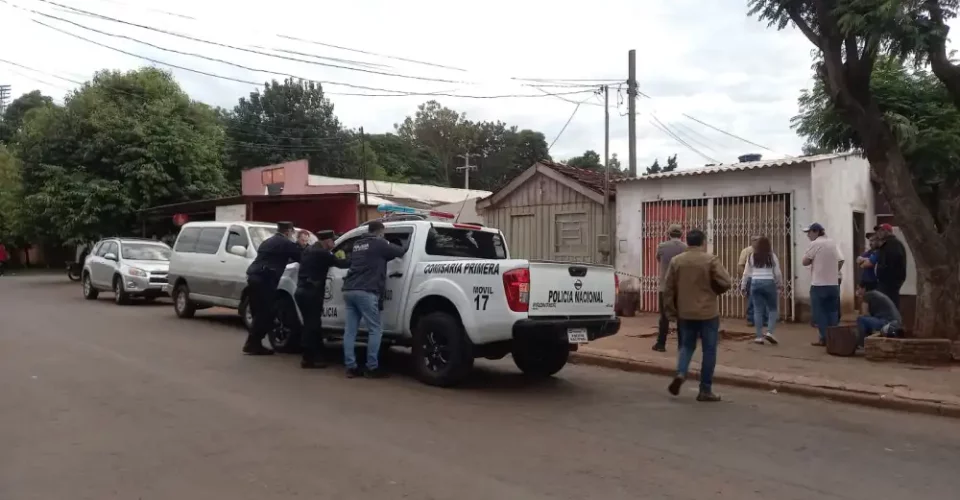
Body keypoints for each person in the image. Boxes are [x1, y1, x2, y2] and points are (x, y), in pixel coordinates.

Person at [663, 228, 732, 402]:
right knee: (709, 350)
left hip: (685, 312)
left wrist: (671, 312)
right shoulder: (710, 259)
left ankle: (681, 373)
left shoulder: (676, 261)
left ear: (687, 241)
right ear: (702, 242)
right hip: (708, 312)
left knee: (686, 346)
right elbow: (726, 281)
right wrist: (715, 289)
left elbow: (668, 289)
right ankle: (705, 389)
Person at [341, 221, 407, 378]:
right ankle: (372, 367)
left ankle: (351, 367)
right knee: (375, 329)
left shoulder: (358, 243)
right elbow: (401, 251)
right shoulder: (379, 243)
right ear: (380, 232)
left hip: (349, 290)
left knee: (350, 331)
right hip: (366, 290)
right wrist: (389, 242)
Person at [244, 221, 302, 356]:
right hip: (265, 279)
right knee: (267, 312)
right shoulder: (285, 243)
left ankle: (253, 343)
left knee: (259, 312)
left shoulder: (267, 241)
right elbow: (301, 256)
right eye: (292, 232)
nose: (292, 235)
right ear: (288, 231)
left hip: (253, 277)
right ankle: (252, 344)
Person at [295, 230, 349, 369]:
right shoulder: (322, 253)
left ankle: (313, 357)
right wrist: (359, 259)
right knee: (312, 327)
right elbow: (341, 264)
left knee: (310, 325)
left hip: (302, 291)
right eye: (333, 241)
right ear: (327, 241)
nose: (334, 243)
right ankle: (308, 359)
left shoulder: (309, 250)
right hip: (311, 293)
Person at [802, 222, 844, 347]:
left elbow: (805, 261)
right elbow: (841, 260)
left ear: (815, 231)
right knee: (832, 312)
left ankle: (824, 338)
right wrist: (833, 272)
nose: (808, 236)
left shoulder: (815, 244)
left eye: (809, 233)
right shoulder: (832, 243)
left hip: (819, 285)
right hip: (833, 284)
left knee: (820, 313)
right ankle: (834, 338)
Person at [740, 236, 782, 345]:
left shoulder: (751, 256)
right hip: (769, 283)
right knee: (773, 309)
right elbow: (777, 273)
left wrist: (743, 286)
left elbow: (746, 273)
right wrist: (779, 284)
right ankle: (769, 332)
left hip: (755, 283)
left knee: (757, 310)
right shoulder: (772, 256)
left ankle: (759, 337)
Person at [652, 224, 686, 352]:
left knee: (664, 317)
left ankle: (661, 344)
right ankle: (682, 346)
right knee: (681, 317)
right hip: (681, 288)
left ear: (668, 234)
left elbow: (659, 260)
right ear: (681, 235)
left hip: (664, 287)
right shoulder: (686, 248)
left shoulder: (661, 247)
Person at [873, 223, 906, 310]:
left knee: (890, 304)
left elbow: (894, 262)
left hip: (890, 282)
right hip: (885, 281)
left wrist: (885, 273)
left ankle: (893, 322)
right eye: (878, 231)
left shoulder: (894, 244)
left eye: (882, 230)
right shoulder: (885, 245)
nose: (879, 233)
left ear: (888, 231)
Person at [738, 236, 767, 328]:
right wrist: (743, 282)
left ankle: (764, 319)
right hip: (752, 279)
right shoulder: (747, 252)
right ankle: (751, 319)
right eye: (754, 240)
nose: (756, 242)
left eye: (758, 240)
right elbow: (743, 269)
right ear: (751, 241)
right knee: (751, 300)